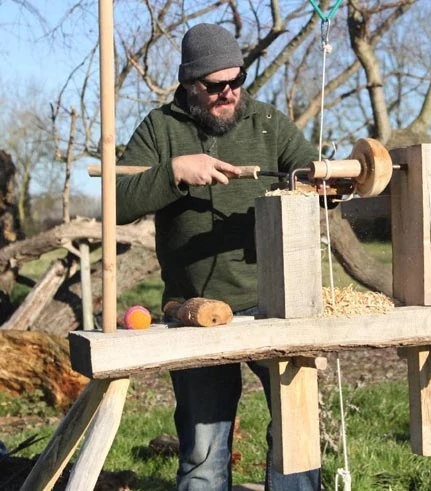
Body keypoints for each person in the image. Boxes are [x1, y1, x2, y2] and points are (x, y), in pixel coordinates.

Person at [116, 23, 321, 490]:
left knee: (297, 442)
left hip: (276, 303)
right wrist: (174, 172)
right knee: (204, 454)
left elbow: (316, 177)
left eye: (237, 80)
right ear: (189, 83)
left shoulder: (268, 122)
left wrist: (328, 183)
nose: (229, 93)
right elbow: (118, 203)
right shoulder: (160, 128)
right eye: (214, 85)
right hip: (194, 309)